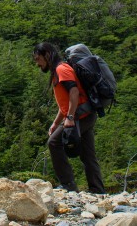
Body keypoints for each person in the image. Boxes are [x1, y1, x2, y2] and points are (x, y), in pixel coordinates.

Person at [32, 42, 105, 194]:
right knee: (88, 154)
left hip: (80, 116)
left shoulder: (61, 69)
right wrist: (55, 123)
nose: (37, 63)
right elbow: (64, 103)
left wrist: (70, 117)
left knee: (54, 143)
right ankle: (97, 190)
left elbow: (74, 92)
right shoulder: (58, 71)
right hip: (85, 114)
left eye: (38, 59)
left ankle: (68, 185)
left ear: (47, 55)